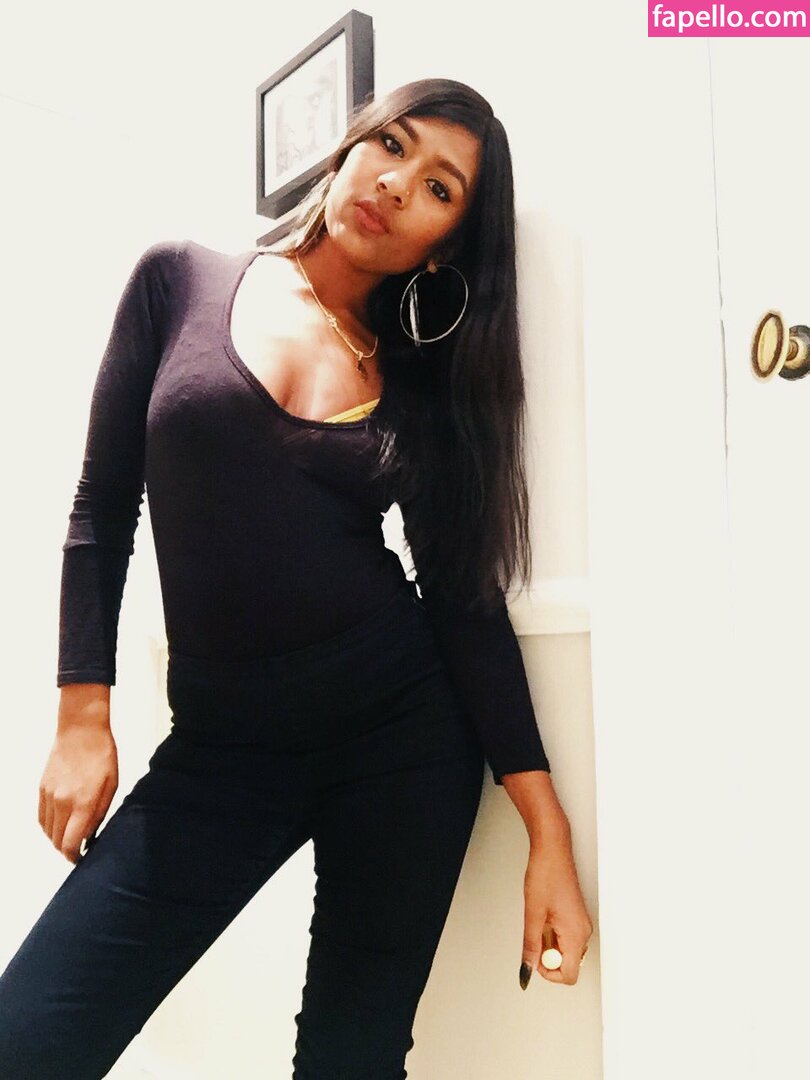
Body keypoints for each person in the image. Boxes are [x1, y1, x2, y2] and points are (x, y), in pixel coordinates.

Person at [0, 78, 593, 1078]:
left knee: (349, 1062)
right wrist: (81, 715)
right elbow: (101, 508)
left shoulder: (420, 382)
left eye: (439, 187)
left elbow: (463, 598)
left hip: (401, 740)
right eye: (393, 145)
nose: (397, 183)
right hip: (222, 753)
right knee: (29, 1040)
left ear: (445, 246)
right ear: (348, 147)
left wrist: (549, 832)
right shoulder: (179, 281)